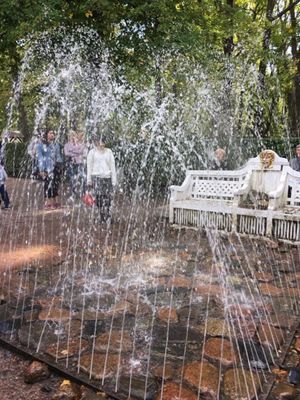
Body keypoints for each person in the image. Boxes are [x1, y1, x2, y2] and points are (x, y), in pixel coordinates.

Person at [86, 135, 116, 222]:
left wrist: (114, 181)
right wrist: (89, 180)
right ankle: (101, 215)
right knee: (99, 198)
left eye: (103, 142)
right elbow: (89, 167)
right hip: (97, 178)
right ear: (96, 142)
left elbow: (112, 166)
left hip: (107, 177)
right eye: (100, 142)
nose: (102, 144)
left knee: (108, 198)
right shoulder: (92, 152)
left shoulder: (109, 152)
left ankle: (108, 216)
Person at [37, 130, 63, 209]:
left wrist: (61, 165)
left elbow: (58, 156)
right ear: (46, 135)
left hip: (56, 167)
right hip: (46, 167)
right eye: (50, 133)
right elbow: (40, 158)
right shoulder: (41, 145)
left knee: (55, 184)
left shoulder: (57, 145)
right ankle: (48, 203)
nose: (52, 135)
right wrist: (41, 169)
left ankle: (55, 202)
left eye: (53, 133)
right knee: (48, 185)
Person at [64, 131, 87, 198]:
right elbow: (66, 153)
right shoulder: (67, 145)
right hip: (71, 163)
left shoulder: (79, 144)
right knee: (72, 179)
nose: (72, 137)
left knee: (83, 177)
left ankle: (83, 192)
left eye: (73, 135)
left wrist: (72, 151)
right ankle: (73, 193)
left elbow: (81, 151)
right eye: (71, 135)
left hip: (79, 163)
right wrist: (76, 153)